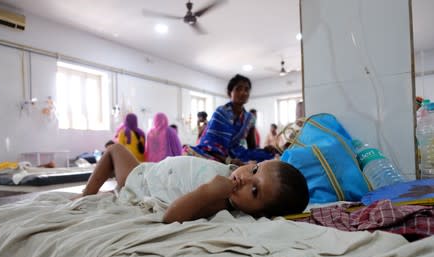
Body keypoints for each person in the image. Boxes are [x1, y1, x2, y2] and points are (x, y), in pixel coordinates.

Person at [76, 144, 309, 223]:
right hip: (149, 169)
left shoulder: (220, 201)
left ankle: (88, 193)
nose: (245, 178)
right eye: (255, 169)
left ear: (261, 213)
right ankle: (91, 191)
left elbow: (171, 216)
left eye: (255, 190)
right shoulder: (231, 173)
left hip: (141, 182)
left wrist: (207, 192)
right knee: (115, 150)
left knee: (114, 150)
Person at [183, 74, 276, 165]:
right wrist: (229, 161)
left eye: (246, 90)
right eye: (238, 89)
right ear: (229, 92)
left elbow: (252, 147)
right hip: (216, 153)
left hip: (237, 153)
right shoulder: (220, 112)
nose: (243, 93)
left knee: (270, 155)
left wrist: (264, 150)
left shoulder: (250, 118)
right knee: (193, 153)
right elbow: (209, 145)